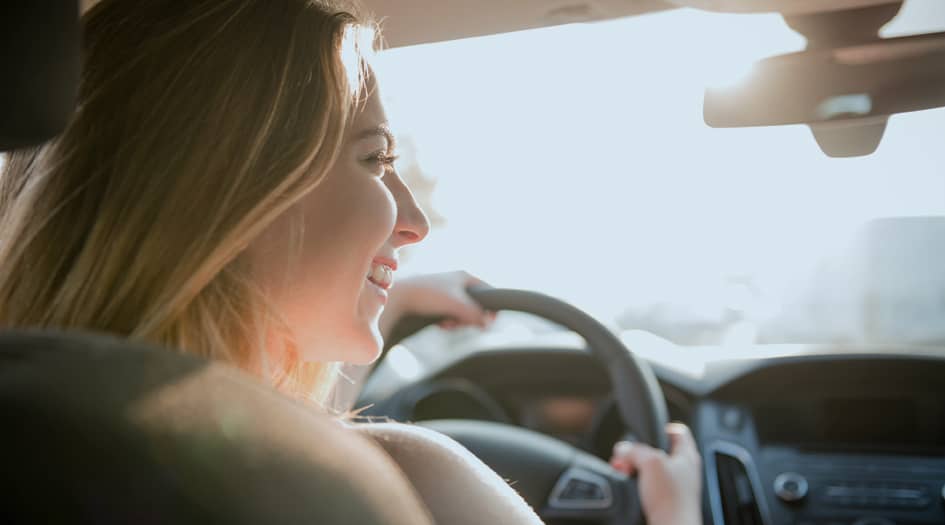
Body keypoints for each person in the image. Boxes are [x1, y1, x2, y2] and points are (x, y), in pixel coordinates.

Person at [0, 0, 701, 523]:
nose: (415, 223)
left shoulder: (38, 439)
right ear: (232, 191)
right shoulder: (408, 483)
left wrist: (389, 299)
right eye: (375, 159)